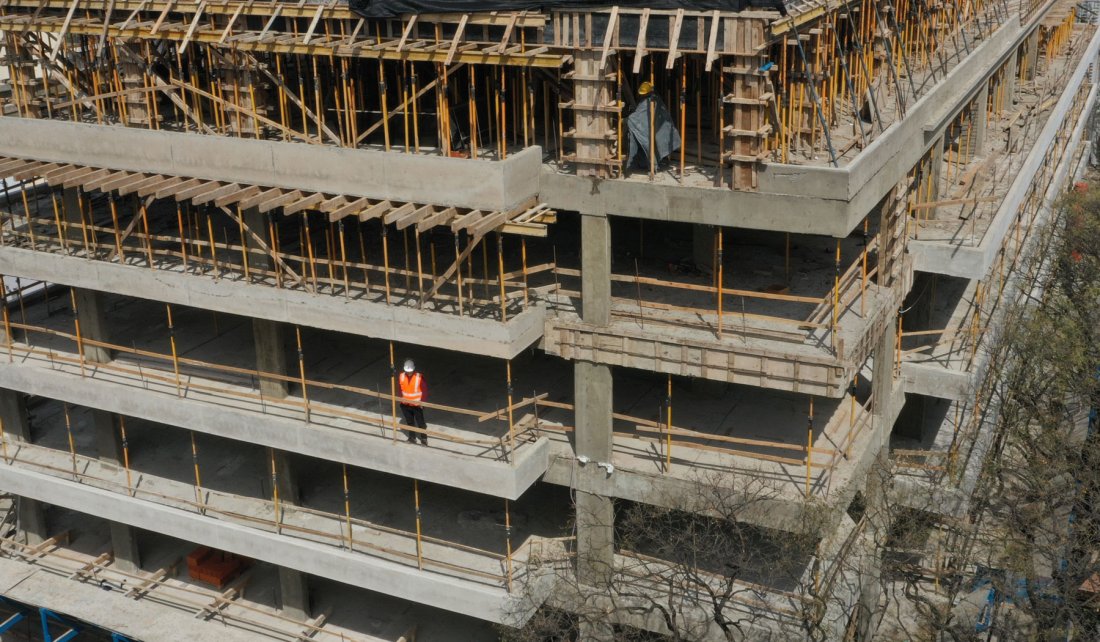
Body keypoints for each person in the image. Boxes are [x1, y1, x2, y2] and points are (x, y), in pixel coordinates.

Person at [398, 359, 428, 445]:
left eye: (410, 371)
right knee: (409, 422)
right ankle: (412, 438)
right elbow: (400, 389)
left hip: (416, 405)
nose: (409, 372)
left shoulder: (419, 377)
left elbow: (425, 391)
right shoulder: (401, 376)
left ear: (413, 369)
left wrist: (422, 403)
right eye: (407, 371)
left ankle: (424, 438)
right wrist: (400, 399)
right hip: (405, 404)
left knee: (420, 422)